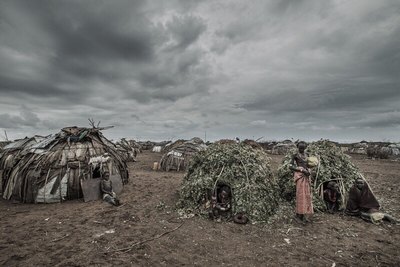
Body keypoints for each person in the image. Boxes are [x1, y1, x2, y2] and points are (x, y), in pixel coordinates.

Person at [289, 141, 313, 223]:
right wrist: (301, 170)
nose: (301, 149)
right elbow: (290, 166)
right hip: (300, 176)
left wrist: (309, 170)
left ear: (305, 147)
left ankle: (304, 214)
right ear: (297, 147)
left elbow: (309, 165)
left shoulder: (308, 155)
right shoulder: (295, 155)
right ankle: (298, 215)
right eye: (300, 148)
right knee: (300, 195)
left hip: (306, 176)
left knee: (306, 195)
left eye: (303, 148)